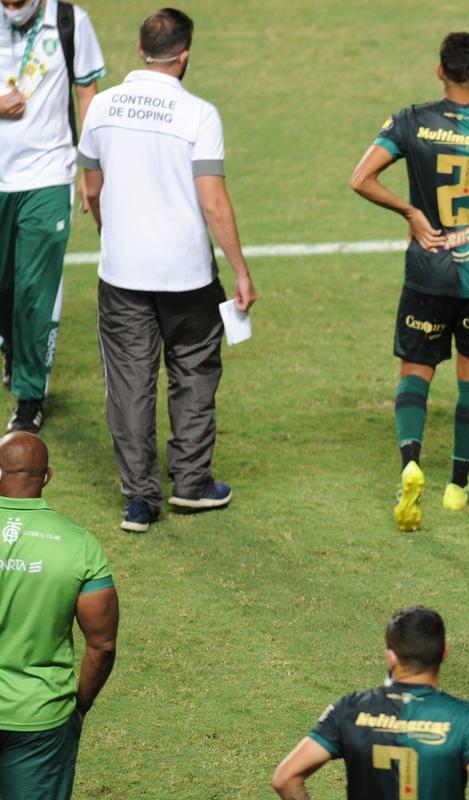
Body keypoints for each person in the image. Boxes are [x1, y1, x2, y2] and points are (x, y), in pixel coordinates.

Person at [350, 31, 469, 531]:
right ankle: (458, 487)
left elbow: (361, 178)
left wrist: (411, 212)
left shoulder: (410, 120)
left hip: (427, 270)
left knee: (416, 370)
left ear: (440, 70)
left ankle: (410, 466)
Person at [76, 8, 256, 533]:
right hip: (188, 277)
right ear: (184, 56)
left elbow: (90, 187)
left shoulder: (102, 106)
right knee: (194, 372)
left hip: (122, 277)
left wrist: (113, 234)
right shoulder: (199, 114)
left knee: (129, 384)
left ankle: (139, 501)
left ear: (139, 50)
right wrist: (241, 269)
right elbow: (214, 202)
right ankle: (193, 484)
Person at [271, 606, 469, 800]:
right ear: (444, 653)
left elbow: (285, 778)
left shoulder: (350, 709)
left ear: (390, 657)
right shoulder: (466, 718)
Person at [0, 0, 105, 433]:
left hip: (48, 173)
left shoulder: (69, 21)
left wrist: (89, 165)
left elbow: (87, 94)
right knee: (6, 286)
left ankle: (30, 395)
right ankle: (14, 345)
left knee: (34, 290)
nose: (12, 7)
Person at [0, 431, 118, 800]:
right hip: (39, 719)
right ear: (47, 476)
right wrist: (80, 704)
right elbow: (102, 646)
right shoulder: (78, 546)